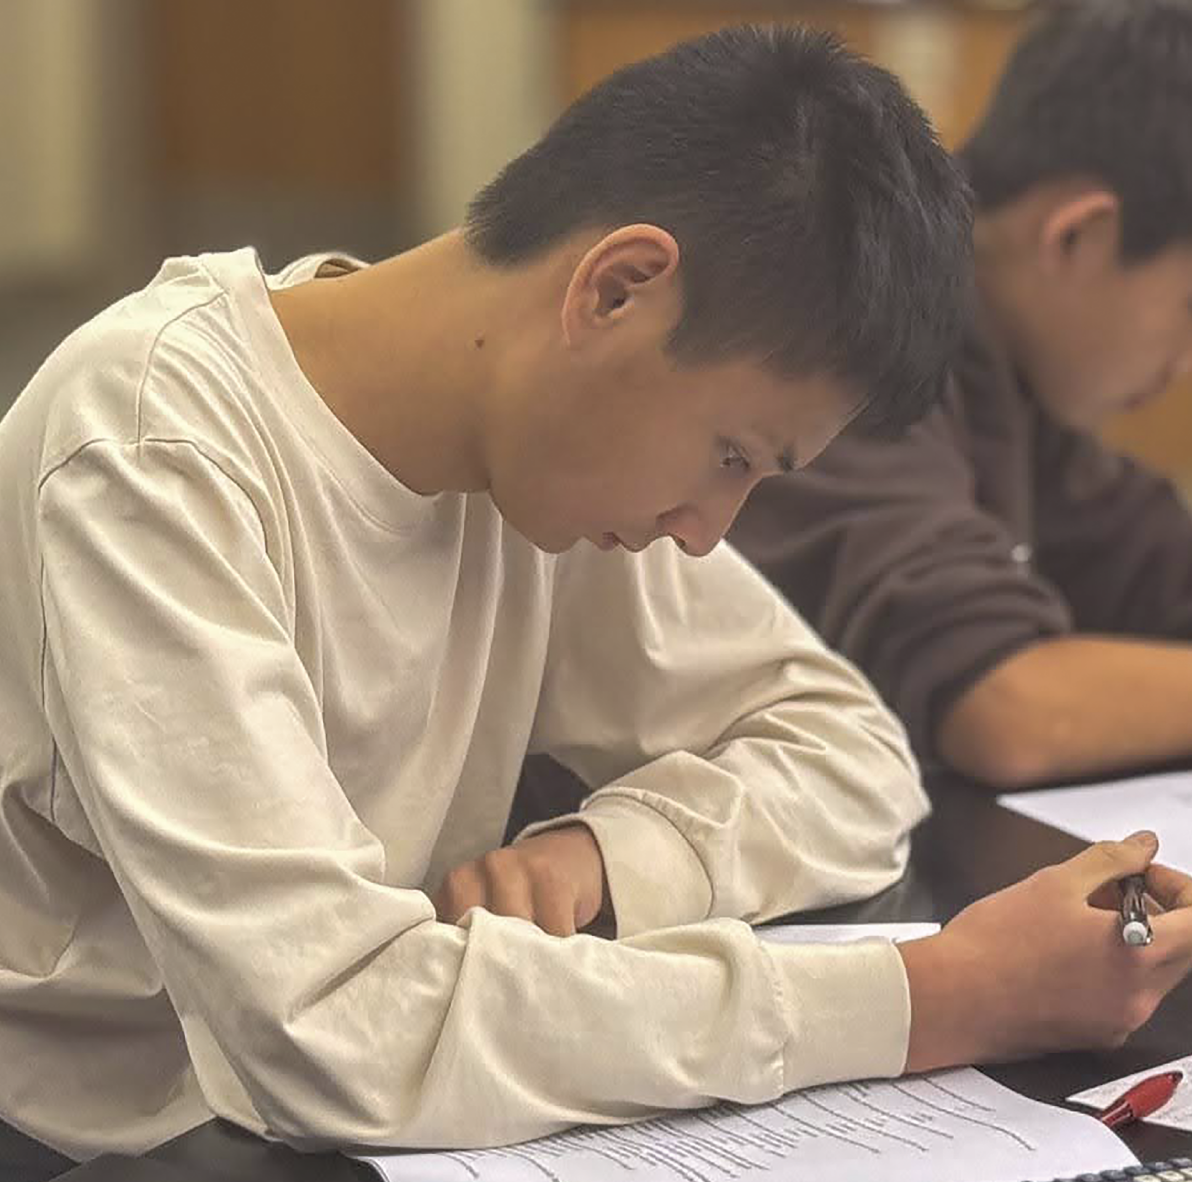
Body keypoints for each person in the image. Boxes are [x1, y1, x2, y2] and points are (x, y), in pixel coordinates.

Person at [1, 22, 1190, 1175]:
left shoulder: (534, 464)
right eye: (732, 453)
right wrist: (939, 997)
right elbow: (330, 1028)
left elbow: (849, 755)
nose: (706, 531)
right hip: (111, 1143)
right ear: (616, 290)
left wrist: (612, 853)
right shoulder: (151, 449)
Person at [730, 0, 1192, 792]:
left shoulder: (1018, 379)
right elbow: (1005, 707)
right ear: (1077, 235)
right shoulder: (865, 316)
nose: (1184, 364)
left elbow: (1154, 566)